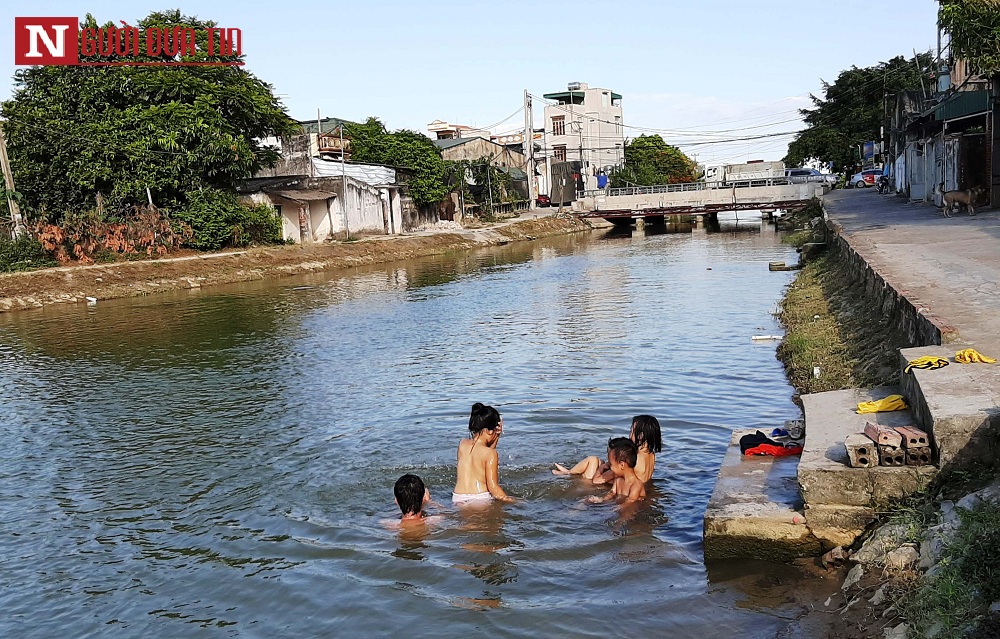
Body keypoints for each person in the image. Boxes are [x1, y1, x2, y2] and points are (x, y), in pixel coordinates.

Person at [552, 414, 662, 485]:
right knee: (600, 462)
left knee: (593, 460)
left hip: (610, 486)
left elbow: (598, 480)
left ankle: (569, 474)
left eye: (631, 431)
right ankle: (570, 472)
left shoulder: (635, 458)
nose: (630, 435)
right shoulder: (651, 455)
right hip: (635, 485)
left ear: (641, 435)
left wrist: (603, 468)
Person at [453, 402, 514, 504]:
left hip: (457, 498)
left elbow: (481, 454)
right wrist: (513, 501)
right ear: (490, 431)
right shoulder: (490, 454)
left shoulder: (462, 444)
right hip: (480, 499)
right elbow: (493, 488)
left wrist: (496, 437)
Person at [586, 438, 646, 504]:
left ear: (622, 465)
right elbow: (612, 492)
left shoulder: (636, 485)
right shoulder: (618, 480)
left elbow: (629, 503)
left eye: (611, 464)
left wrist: (613, 510)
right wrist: (601, 499)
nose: (610, 468)